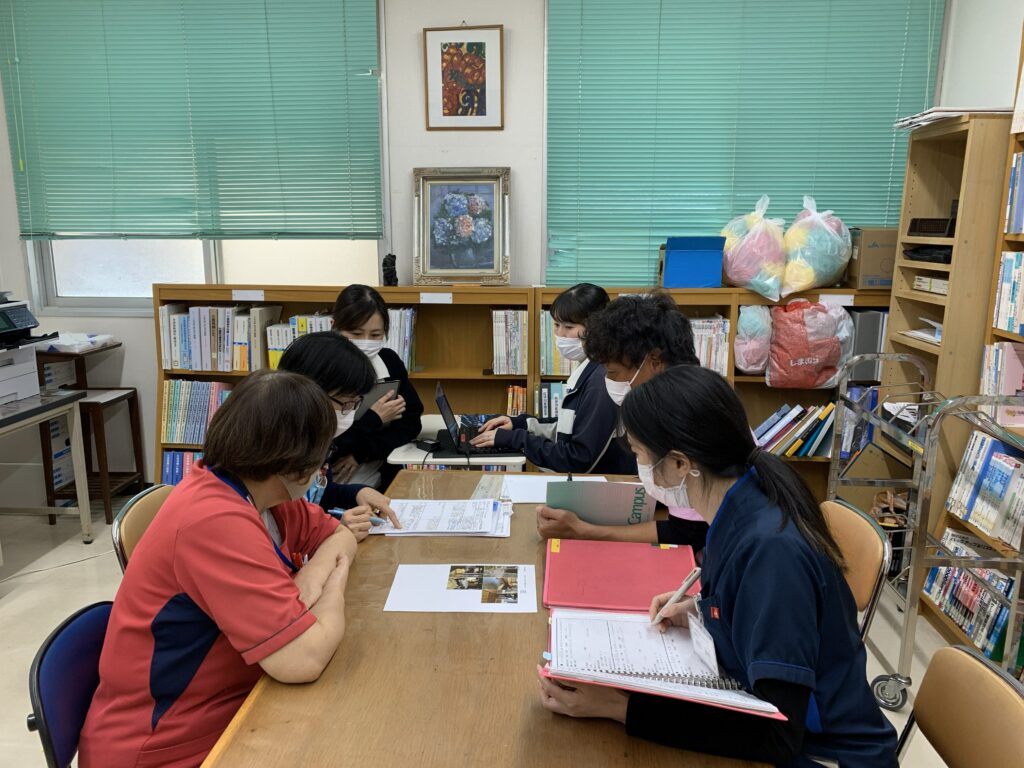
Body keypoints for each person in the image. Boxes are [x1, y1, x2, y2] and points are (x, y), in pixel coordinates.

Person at [537, 365, 898, 767]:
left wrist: (619, 708)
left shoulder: (771, 554)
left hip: (826, 754)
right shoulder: (739, 504)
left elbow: (778, 733)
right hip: (771, 718)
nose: (639, 469)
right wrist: (700, 612)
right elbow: (746, 607)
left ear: (679, 464)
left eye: (639, 454)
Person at [80, 370, 359, 768]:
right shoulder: (214, 521)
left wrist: (311, 577)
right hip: (167, 744)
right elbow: (302, 660)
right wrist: (334, 582)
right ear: (298, 462)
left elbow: (340, 534)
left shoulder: (267, 497)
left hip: (231, 707)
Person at [535, 292, 709, 550]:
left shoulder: (684, 417)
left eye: (613, 372)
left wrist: (584, 531)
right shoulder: (685, 393)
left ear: (654, 360)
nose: (609, 382)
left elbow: (689, 533)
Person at [471, 283, 635, 474]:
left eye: (569, 327)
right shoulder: (590, 369)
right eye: (557, 325)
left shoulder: (601, 382)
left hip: (601, 486)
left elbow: (577, 460)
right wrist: (519, 424)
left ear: (597, 328)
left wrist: (516, 439)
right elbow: (569, 427)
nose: (559, 334)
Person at [278, 331, 401, 540]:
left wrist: (356, 493)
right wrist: (333, 530)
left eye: (355, 403)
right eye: (345, 403)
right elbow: (285, 531)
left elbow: (318, 494)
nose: (349, 412)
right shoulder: (277, 455)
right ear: (307, 392)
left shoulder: (315, 441)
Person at [329, 284, 423, 490]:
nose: (365, 342)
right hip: (331, 486)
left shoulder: (389, 361)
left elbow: (411, 423)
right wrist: (374, 419)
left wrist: (361, 452)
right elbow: (325, 445)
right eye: (356, 333)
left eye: (375, 335)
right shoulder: (319, 370)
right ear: (334, 327)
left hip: (382, 476)